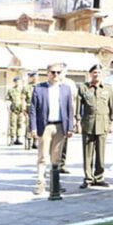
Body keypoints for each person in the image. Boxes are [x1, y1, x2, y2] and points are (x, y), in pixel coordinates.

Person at [29, 63, 74, 195]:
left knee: (57, 158)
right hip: (45, 127)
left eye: (58, 72)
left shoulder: (66, 89)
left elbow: (69, 109)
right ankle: (40, 183)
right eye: (53, 72)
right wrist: (33, 127)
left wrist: (70, 127)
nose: (55, 75)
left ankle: (55, 184)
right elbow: (33, 109)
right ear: (47, 73)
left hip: (60, 127)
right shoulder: (39, 88)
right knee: (42, 157)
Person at [75, 64, 113, 189]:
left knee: (101, 153)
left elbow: (111, 107)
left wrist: (111, 123)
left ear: (102, 74)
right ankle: (88, 178)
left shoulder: (108, 88)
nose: (96, 74)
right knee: (87, 153)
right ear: (90, 74)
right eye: (94, 72)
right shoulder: (83, 88)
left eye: (98, 72)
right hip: (88, 124)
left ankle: (99, 177)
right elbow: (78, 108)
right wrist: (78, 123)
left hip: (103, 124)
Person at [6, 76, 26, 146]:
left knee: (20, 124)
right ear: (14, 82)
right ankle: (12, 139)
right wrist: (8, 106)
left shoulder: (22, 90)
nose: (17, 82)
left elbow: (25, 99)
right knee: (13, 124)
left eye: (18, 81)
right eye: (16, 81)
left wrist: (24, 109)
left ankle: (18, 139)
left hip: (21, 109)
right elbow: (7, 99)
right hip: (13, 110)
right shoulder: (11, 90)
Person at [24, 71, 38, 150]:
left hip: (38, 108)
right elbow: (23, 99)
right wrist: (23, 110)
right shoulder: (27, 87)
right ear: (31, 78)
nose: (34, 78)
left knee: (37, 124)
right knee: (28, 125)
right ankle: (28, 142)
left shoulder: (40, 86)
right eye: (33, 77)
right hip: (29, 108)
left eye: (36, 76)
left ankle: (35, 142)